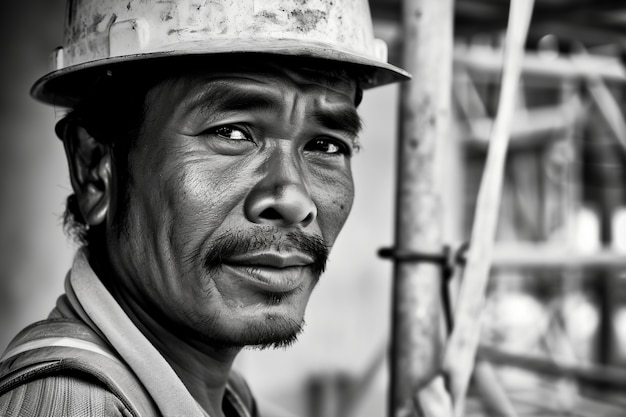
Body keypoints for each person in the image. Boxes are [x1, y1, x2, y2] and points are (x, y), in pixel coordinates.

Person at [0, 1, 409, 416]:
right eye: (231, 133)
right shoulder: (71, 405)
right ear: (93, 168)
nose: (293, 201)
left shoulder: (221, 398)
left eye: (325, 145)